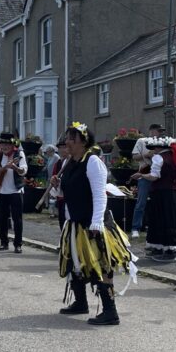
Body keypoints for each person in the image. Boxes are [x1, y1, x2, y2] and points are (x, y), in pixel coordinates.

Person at [56, 122, 136, 326]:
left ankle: (110, 312)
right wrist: (58, 187)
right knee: (75, 263)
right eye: (67, 138)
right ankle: (80, 303)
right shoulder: (70, 163)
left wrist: (97, 223)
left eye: (71, 139)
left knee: (101, 265)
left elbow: (100, 195)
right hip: (75, 223)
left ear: (83, 142)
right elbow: (68, 193)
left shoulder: (92, 162)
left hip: (94, 224)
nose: (66, 142)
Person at [132, 136, 176, 262]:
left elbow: (154, 176)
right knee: (169, 219)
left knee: (160, 219)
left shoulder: (158, 157)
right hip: (173, 192)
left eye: (154, 148)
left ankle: (167, 250)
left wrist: (141, 175)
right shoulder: (175, 157)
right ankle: (162, 247)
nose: (153, 150)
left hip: (161, 192)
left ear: (159, 147)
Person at [0, 132, 28, 253]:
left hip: (15, 191)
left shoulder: (19, 154)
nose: (4, 147)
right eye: (2, 144)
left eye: (7, 144)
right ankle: (4, 243)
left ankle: (18, 244)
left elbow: (24, 171)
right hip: (1, 191)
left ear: (12, 145)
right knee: (2, 218)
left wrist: (15, 168)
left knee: (17, 219)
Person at [130, 123, 166, 238]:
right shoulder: (142, 141)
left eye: (161, 131)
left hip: (159, 175)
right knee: (141, 202)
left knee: (158, 202)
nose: (160, 133)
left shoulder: (163, 142)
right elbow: (134, 156)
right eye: (158, 131)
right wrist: (146, 155)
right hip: (145, 173)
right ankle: (135, 228)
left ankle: (155, 226)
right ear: (151, 131)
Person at [49, 138, 70, 228]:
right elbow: (54, 178)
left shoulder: (74, 162)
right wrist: (54, 182)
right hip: (61, 198)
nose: (62, 150)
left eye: (64, 147)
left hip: (70, 199)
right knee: (62, 223)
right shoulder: (58, 163)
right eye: (60, 148)